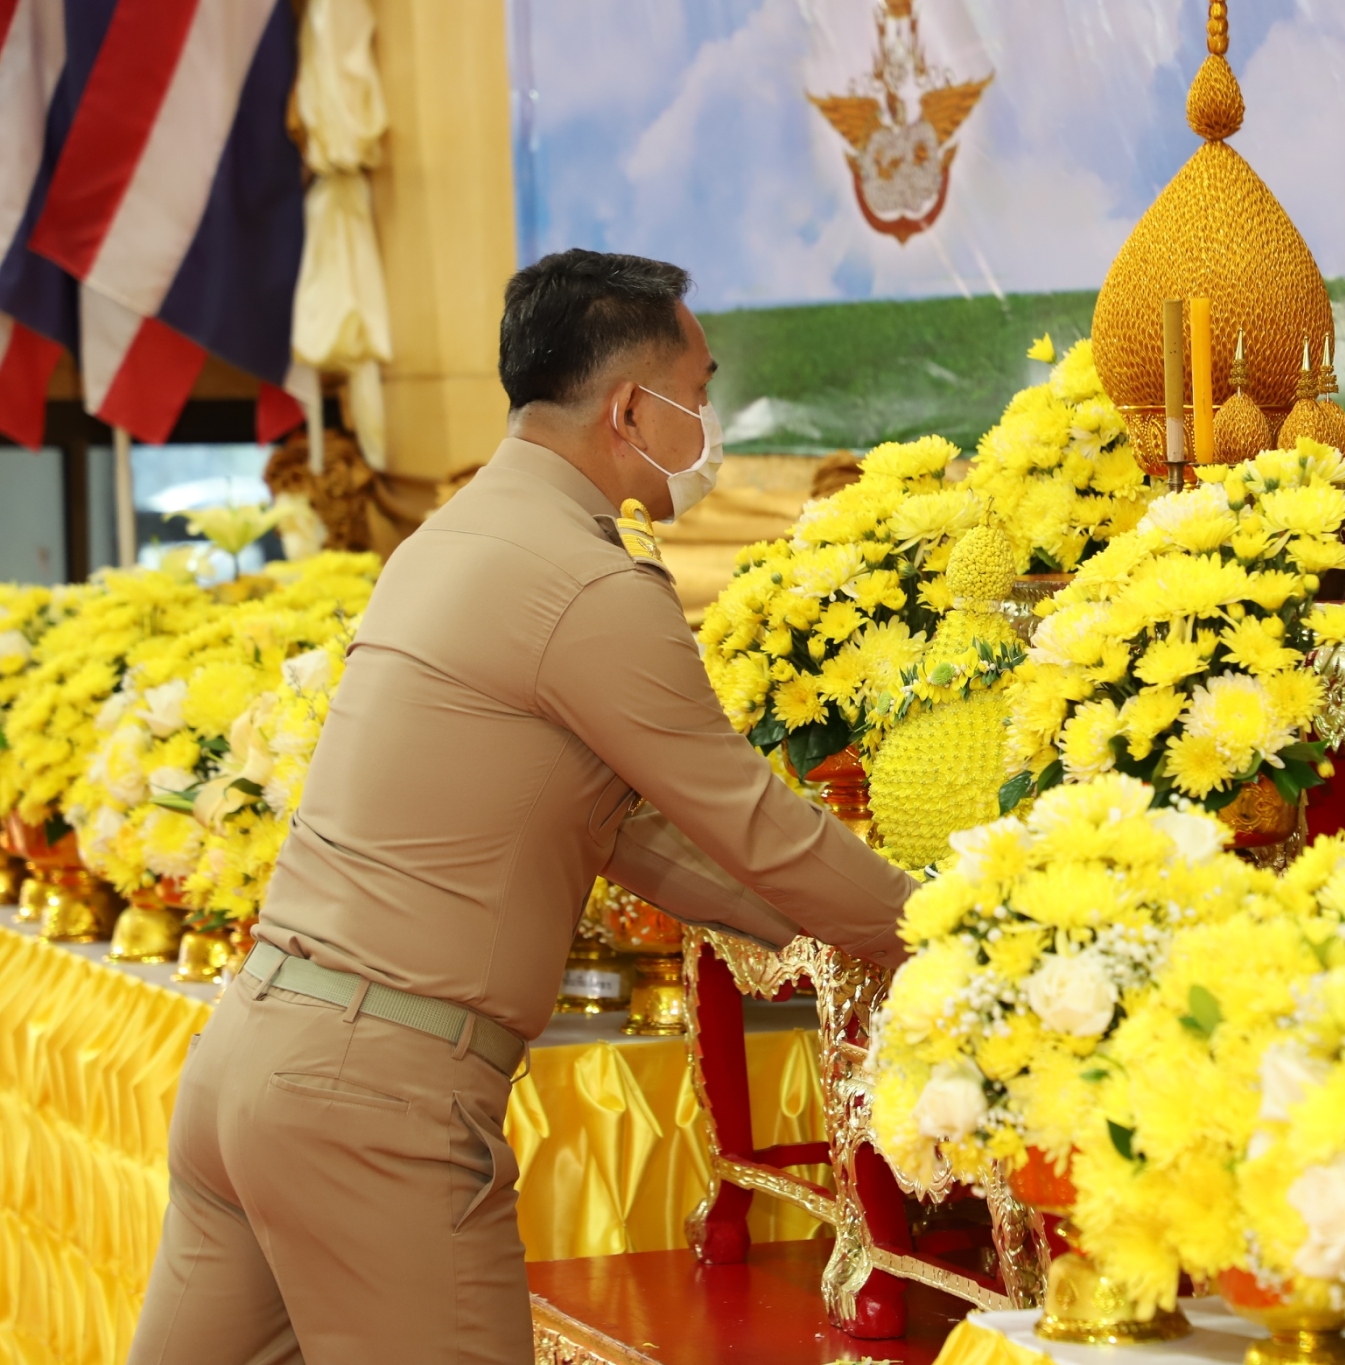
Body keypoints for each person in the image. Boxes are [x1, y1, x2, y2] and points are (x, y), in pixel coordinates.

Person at [128, 250, 918, 1364]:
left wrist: (809, 930)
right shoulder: (589, 583)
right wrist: (938, 931)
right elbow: (749, 822)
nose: (712, 422)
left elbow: (625, 833)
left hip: (251, 1062)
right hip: (376, 1102)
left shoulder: (442, 539)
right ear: (633, 408)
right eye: (702, 389)